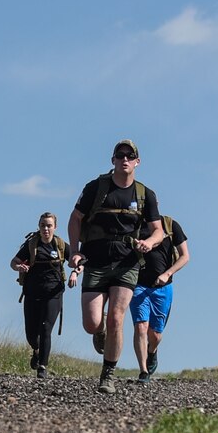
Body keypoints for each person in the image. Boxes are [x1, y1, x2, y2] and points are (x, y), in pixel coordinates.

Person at [68, 139, 164, 396]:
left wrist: (148, 243)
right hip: (96, 261)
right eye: (119, 155)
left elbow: (159, 231)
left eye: (129, 156)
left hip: (126, 264)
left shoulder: (145, 195)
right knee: (92, 322)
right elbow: (75, 219)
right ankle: (98, 333)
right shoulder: (96, 188)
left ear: (137, 162)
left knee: (117, 320)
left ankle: (107, 374)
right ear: (112, 160)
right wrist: (75, 251)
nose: (124, 159)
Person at [10, 211, 80, 377]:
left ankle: (43, 367)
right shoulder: (31, 245)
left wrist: (75, 272)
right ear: (39, 227)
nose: (46, 229)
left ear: (55, 227)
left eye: (49, 225)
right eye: (43, 225)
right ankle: (36, 350)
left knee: (46, 328)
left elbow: (79, 260)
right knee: (31, 335)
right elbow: (13, 262)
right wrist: (19, 267)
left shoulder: (61, 245)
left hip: (53, 293)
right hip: (32, 293)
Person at [130, 214, 189, 381]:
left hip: (163, 287)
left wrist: (167, 273)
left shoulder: (170, 225)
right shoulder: (134, 226)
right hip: (138, 285)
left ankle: (152, 351)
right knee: (141, 327)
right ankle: (143, 371)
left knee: (155, 335)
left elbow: (185, 256)